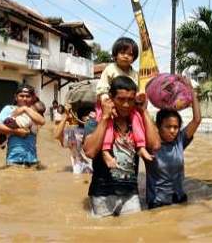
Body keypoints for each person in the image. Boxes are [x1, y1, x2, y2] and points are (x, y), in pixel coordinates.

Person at [84, 76, 161, 217]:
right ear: (111, 98)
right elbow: (89, 152)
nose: (126, 105)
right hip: (101, 195)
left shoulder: (137, 122)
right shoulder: (94, 122)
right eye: (121, 99)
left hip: (131, 194)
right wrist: (105, 118)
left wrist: (144, 111)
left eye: (130, 100)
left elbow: (155, 145)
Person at [145, 77, 202, 209]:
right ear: (158, 127)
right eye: (168, 127)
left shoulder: (179, 141)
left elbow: (197, 120)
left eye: (176, 127)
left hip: (179, 198)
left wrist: (191, 91)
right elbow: (144, 119)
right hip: (157, 202)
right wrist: (144, 106)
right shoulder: (151, 144)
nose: (172, 131)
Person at [96, 37, 153, 168]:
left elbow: (137, 91)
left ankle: (141, 146)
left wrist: (140, 98)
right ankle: (105, 152)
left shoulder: (135, 74)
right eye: (123, 53)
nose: (126, 56)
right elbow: (102, 88)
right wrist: (107, 104)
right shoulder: (110, 69)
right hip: (108, 104)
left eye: (130, 54)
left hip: (129, 107)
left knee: (138, 120)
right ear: (115, 54)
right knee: (107, 124)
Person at [0, 84, 45, 167]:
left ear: (33, 98)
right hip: (14, 160)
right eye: (21, 96)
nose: (24, 98)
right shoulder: (9, 109)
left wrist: (25, 109)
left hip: (32, 160)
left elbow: (42, 121)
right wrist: (16, 132)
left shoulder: (34, 111)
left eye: (28, 96)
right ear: (16, 97)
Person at [54, 104, 94, 174]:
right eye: (87, 115)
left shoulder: (98, 131)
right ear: (80, 117)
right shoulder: (72, 132)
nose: (89, 117)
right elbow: (56, 135)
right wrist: (65, 116)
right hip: (79, 173)